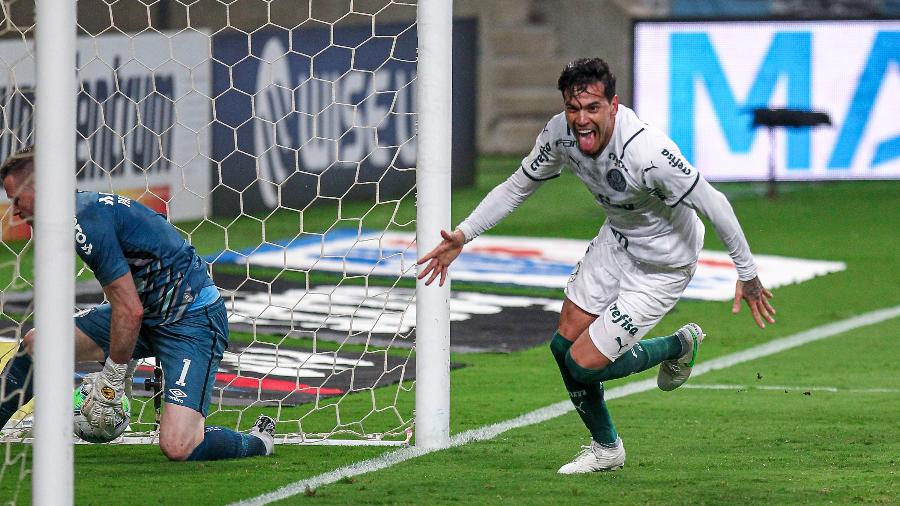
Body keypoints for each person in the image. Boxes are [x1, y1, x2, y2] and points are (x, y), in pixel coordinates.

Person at [417, 58, 776, 473]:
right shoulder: (559, 135)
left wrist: (747, 274)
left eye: (592, 108)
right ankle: (607, 449)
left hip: (663, 266)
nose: (581, 120)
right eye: (573, 108)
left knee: (583, 364)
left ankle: (679, 345)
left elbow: (716, 204)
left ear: (614, 105)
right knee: (562, 345)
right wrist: (463, 234)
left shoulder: (648, 152)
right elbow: (518, 186)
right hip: (616, 241)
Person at [0, 146, 275, 461]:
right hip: (149, 315)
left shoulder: (85, 221)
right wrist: (122, 360)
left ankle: (258, 442)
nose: (15, 212)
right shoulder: (80, 213)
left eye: (17, 200)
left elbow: (129, 309)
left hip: (192, 321)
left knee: (179, 446)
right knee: (39, 343)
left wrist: (112, 380)